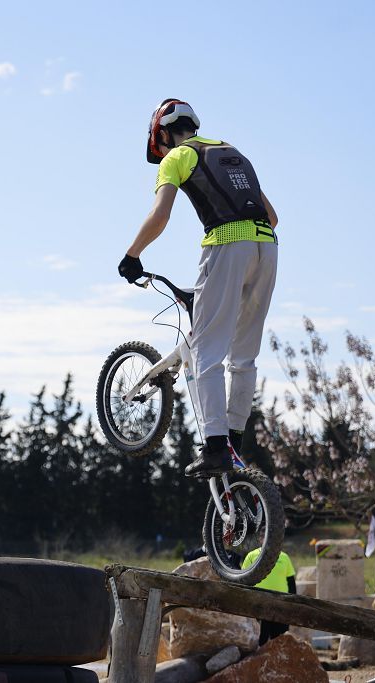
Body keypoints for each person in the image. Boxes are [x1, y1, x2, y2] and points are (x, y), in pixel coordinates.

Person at [118, 99, 279, 477]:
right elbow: (272, 217)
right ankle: (234, 443)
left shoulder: (178, 157)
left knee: (207, 351)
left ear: (162, 134)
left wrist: (132, 255)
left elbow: (160, 215)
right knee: (244, 356)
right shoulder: (232, 151)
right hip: (267, 248)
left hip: (226, 244)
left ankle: (215, 447)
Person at [241, 549, 295, 645]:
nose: (263, 536)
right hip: (259, 603)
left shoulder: (284, 556)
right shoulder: (251, 555)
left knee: (280, 638)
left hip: (281, 604)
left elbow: (291, 582)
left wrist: (292, 604)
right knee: (261, 638)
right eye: (261, 534)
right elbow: (243, 580)